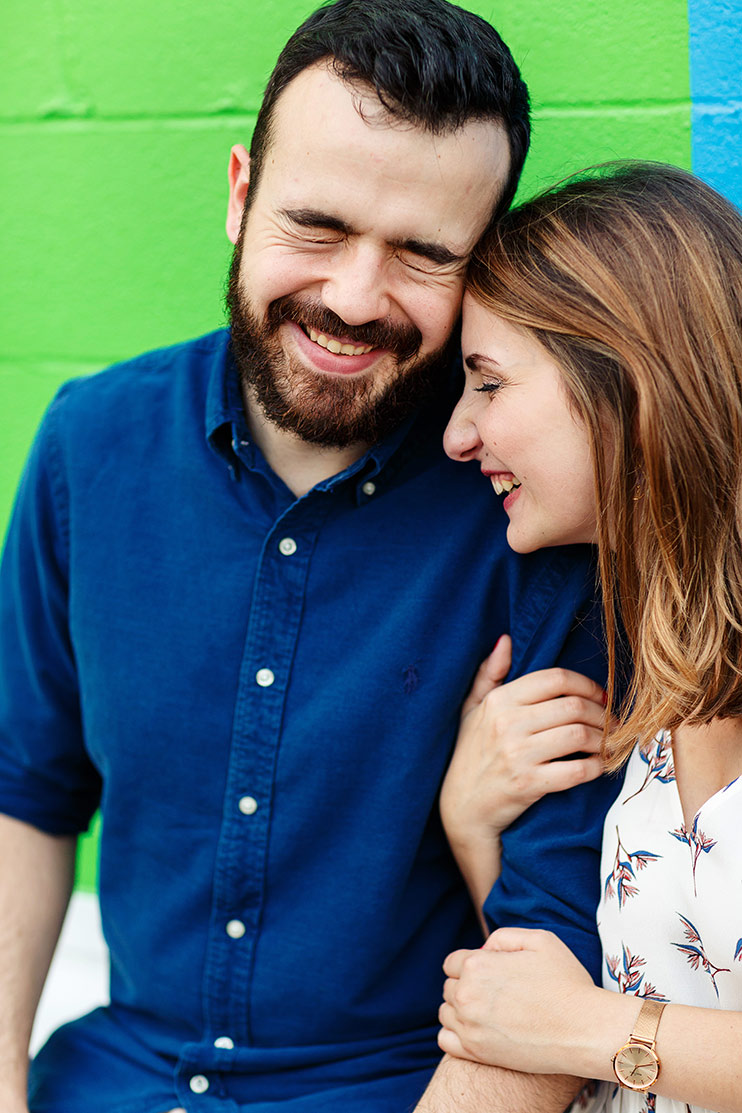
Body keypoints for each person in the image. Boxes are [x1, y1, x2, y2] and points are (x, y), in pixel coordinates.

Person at [0, 3, 617, 1111]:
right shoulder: (92, 444)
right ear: (241, 195)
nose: (353, 299)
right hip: (112, 1081)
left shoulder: (533, 514)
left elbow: (555, 952)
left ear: (481, 263)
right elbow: (23, 794)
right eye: (317, 227)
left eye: (424, 254)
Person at [438, 161, 742, 1113]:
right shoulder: (642, 657)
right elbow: (543, 1002)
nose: (457, 434)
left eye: (489, 383)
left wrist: (594, 1030)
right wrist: (473, 825)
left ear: (628, 377)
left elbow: (571, 1022)